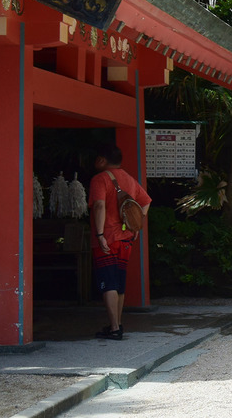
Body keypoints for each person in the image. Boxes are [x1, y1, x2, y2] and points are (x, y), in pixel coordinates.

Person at [90, 144, 151, 340]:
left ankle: (114, 328)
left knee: (108, 283)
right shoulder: (130, 179)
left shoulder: (100, 179)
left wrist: (99, 235)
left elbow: (99, 205)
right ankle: (118, 323)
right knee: (119, 282)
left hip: (107, 237)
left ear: (101, 159)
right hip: (126, 238)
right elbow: (146, 201)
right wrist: (136, 225)